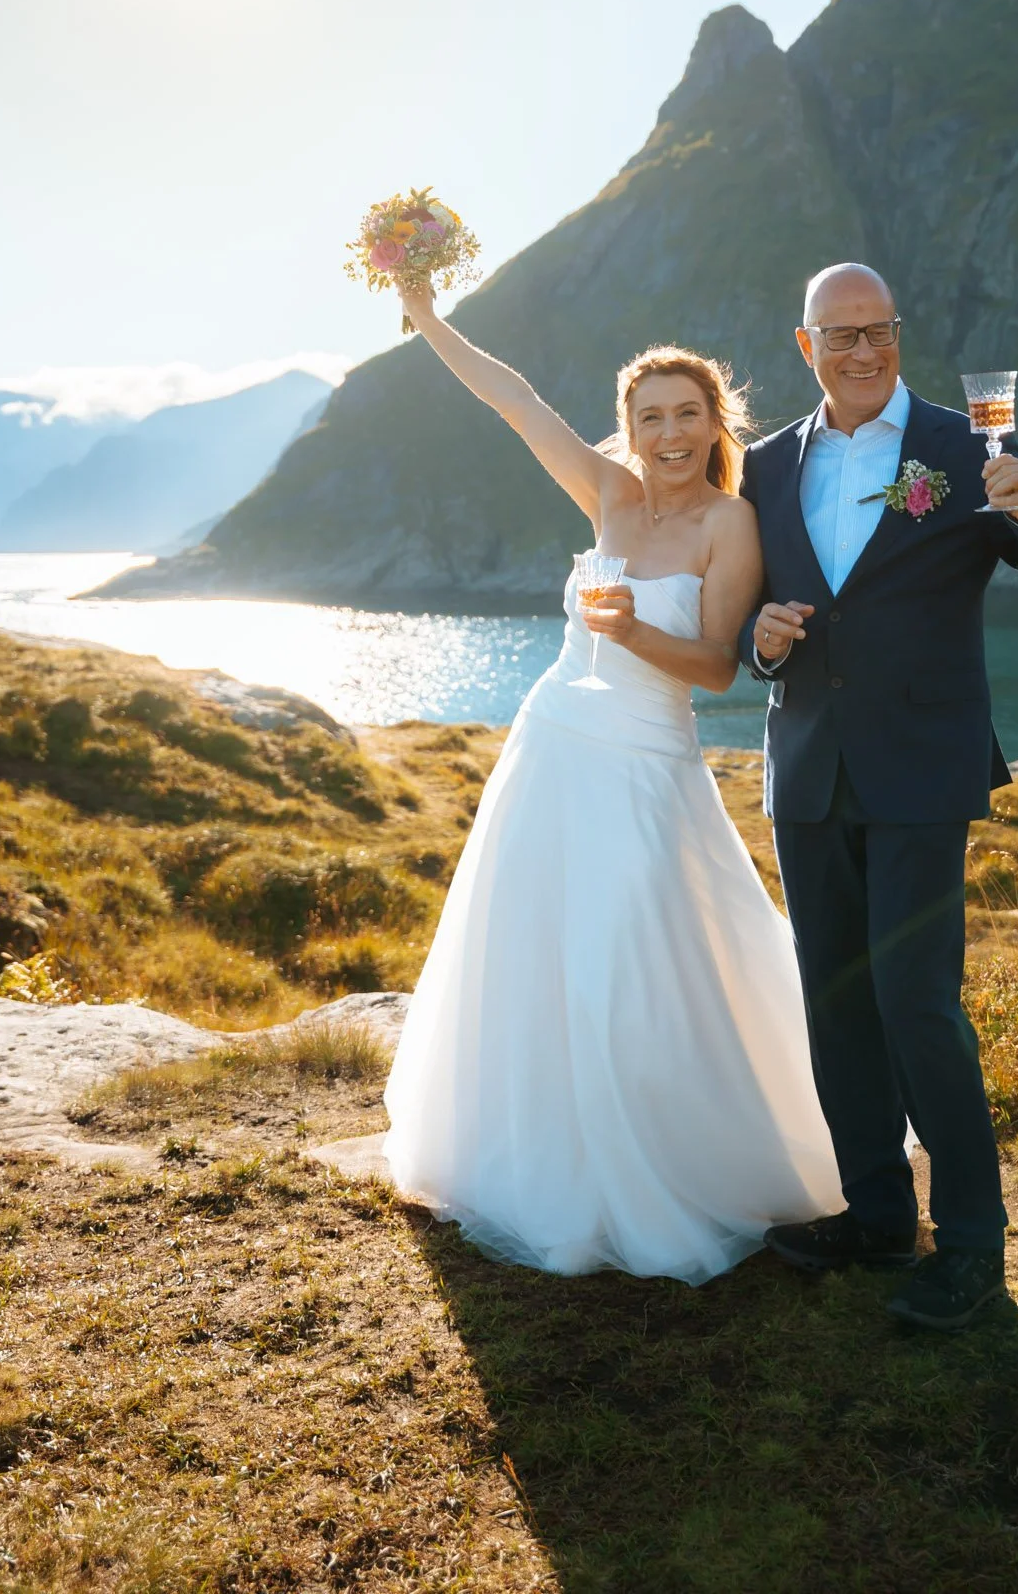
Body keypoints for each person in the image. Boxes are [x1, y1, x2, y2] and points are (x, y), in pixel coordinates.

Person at [382, 280, 842, 1283]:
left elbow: (720, 665)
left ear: (713, 423)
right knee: (534, 950)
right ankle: (536, 1159)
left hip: (644, 764)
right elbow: (515, 402)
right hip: (552, 746)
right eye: (650, 417)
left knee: (629, 961)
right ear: (627, 428)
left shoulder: (728, 523)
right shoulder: (606, 493)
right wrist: (424, 316)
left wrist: (633, 631)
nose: (669, 433)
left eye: (687, 414)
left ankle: (656, 1159)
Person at [741, 263, 1018, 1331]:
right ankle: (874, 1215)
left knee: (917, 1002)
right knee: (838, 1002)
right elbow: (746, 621)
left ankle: (973, 1247)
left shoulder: (966, 449)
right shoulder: (764, 467)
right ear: (804, 347)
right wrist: (757, 647)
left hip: (919, 773)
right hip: (806, 772)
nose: (862, 350)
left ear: (898, 334)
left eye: (880, 330)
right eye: (839, 335)